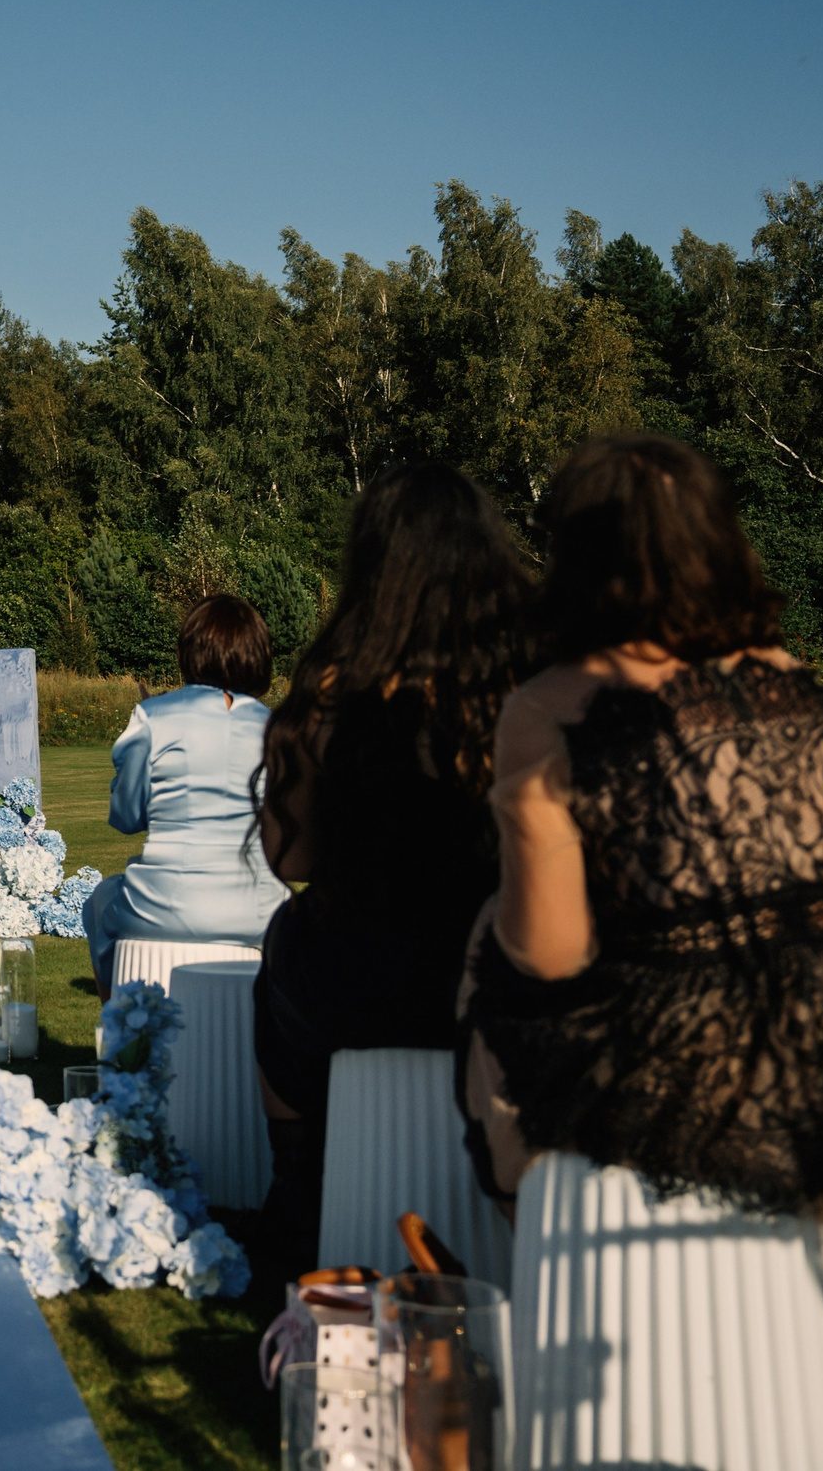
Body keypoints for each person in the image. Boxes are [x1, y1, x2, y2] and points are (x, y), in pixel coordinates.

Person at [463, 435, 823, 1394]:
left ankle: (523, 1287)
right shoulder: (804, 687)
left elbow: (550, 953)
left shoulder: (549, 706)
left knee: (484, 970)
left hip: (664, 1085)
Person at [251, 462, 533, 1267]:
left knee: (281, 951)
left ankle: (301, 1199)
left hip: (358, 989)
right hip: (498, 981)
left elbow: (290, 859)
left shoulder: (331, 692)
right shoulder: (526, 690)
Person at [82, 594, 288, 989]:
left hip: (160, 907)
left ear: (189, 652)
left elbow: (125, 817)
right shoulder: (278, 728)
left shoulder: (153, 716)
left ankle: (124, 1031)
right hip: (258, 912)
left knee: (101, 902)